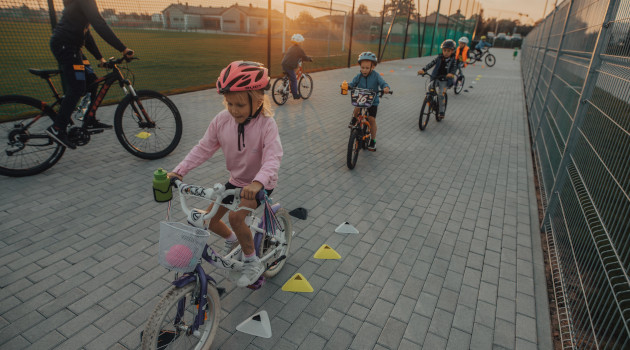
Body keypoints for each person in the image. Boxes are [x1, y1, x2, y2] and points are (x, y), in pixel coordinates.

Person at [168, 61, 283, 288]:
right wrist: (179, 171)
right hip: (236, 181)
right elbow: (203, 148)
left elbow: (273, 157)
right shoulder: (222, 120)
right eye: (229, 103)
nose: (233, 110)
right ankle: (233, 240)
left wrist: (259, 182)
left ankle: (252, 262)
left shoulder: (266, 125)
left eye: (239, 104)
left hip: (260, 184)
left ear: (258, 99)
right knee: (208, 219)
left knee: (235, 217)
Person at [46, 0, 134, 149]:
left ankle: (89, 118)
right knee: (77, 88)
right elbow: (99, 24)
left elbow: (86, 33)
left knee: (92, 80)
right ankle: (58, 128)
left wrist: (99, 58)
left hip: (73, 48)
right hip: (66, 47)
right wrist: (123, 49)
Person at [347, 51, 390, 152]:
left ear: (372, 67)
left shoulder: (376, 76)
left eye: (367, 68)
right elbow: (352, 83)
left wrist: (386, 88)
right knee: (357, 109)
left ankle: (373, 140)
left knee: (371, 120)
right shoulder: (359, 76)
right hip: (361, 98)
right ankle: (354, 119)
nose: (364, 70)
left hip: (372, 101)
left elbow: (383, 83)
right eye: (362, 67)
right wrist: (348, 86)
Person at [417, 39, 458, 119]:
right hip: (435, 77)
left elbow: (454, 68)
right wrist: (423, 70)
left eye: (448, 51)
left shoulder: (453, 60)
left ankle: (441, 111)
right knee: (429, 88)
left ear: (452, 51)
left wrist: (451, 74)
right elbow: (431, 64)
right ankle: (431, 102)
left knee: (441, 94)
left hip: (445, 80)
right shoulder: (439, 58)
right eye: (444, 50)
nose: (446, 52)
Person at [281, 34, 312, 99]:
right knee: (294, 80)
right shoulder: (299, 49)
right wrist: (309, 59)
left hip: (284, 64)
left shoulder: (291, 47)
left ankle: (285, 90)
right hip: (289, 66)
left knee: (289, 77)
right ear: (299, 42)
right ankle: (295, 95)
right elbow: (304, 57)